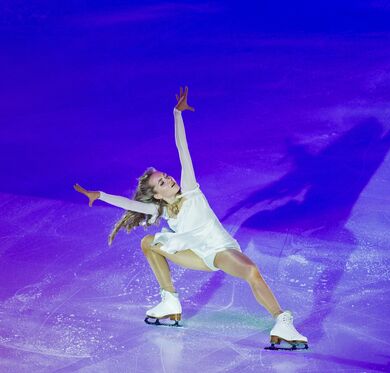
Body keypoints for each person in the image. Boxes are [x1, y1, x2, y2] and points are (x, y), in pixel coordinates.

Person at [73, 86, 307, 349]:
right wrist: (101, 195)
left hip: (219, 251)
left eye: (166, 176)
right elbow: (129, 203)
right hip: (195, 254)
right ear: (158, 195)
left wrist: (177, 114)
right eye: (162, 182)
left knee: (251, 271)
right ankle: (169, 301)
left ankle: (282, 321)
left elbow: (182, 150)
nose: (169, 179)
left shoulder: (191, 190)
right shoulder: (160, 209)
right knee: (148, 242)